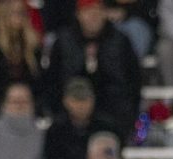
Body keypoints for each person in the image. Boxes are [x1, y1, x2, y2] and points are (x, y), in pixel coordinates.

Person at [44, 0, 142, 144]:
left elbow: (133, 81)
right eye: (88, 11)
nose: (93, 16)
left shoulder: (120, 41)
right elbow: (53, 81)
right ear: (78, 14)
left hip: (113, 115)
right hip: (69, 116)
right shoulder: (63, 41)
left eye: (98, 11)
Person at [0, 0, 42, 120]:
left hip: (27, 105)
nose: (19, 17)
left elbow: (38, 79)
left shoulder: (32, 42)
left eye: (22, 13)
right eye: (14, 13)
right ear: (4, 14)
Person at [44, 78, 116, 159]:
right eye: (76, 100)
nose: (81, 105)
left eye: (85, 100)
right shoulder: (55, 130)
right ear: (65, 101)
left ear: (93, 101)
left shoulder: (106, 127)